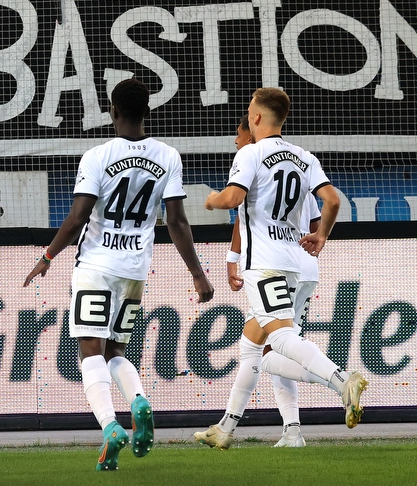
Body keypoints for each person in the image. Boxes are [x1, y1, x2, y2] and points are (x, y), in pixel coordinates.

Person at [23, 78, 215, 472]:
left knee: (90, 352)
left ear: (113, 110)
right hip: (134, 270)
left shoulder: (98, 155)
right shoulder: (168, 156)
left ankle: (111, 426)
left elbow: (78, 217)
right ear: (147, 111)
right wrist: (198, 274)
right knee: (116, 351)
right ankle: (139, 401)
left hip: (95, 267)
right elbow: (176, 220)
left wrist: (47, 255)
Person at [196, 88, 368, 450]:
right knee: (252, 345)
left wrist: (211, 200)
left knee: (279, 342)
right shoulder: (304, 157)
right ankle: (226, 428)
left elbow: (233, 198)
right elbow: (333, 200)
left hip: (265, 265)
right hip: (293, 263)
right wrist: (322, 235)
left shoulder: (250, 154)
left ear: (256, 118)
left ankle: (342, 381)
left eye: (248, 112)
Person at [220, 114, 321, 449]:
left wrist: (232, 260)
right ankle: (290, 430)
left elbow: (244, 219)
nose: (235, 142)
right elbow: (317, 220)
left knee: (266, 349)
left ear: (252, 135)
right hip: (302, 267)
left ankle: (340, 381)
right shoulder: (299, 163)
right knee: (266, 344)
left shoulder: (254, 165)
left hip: (272, 265)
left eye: (238, 135)